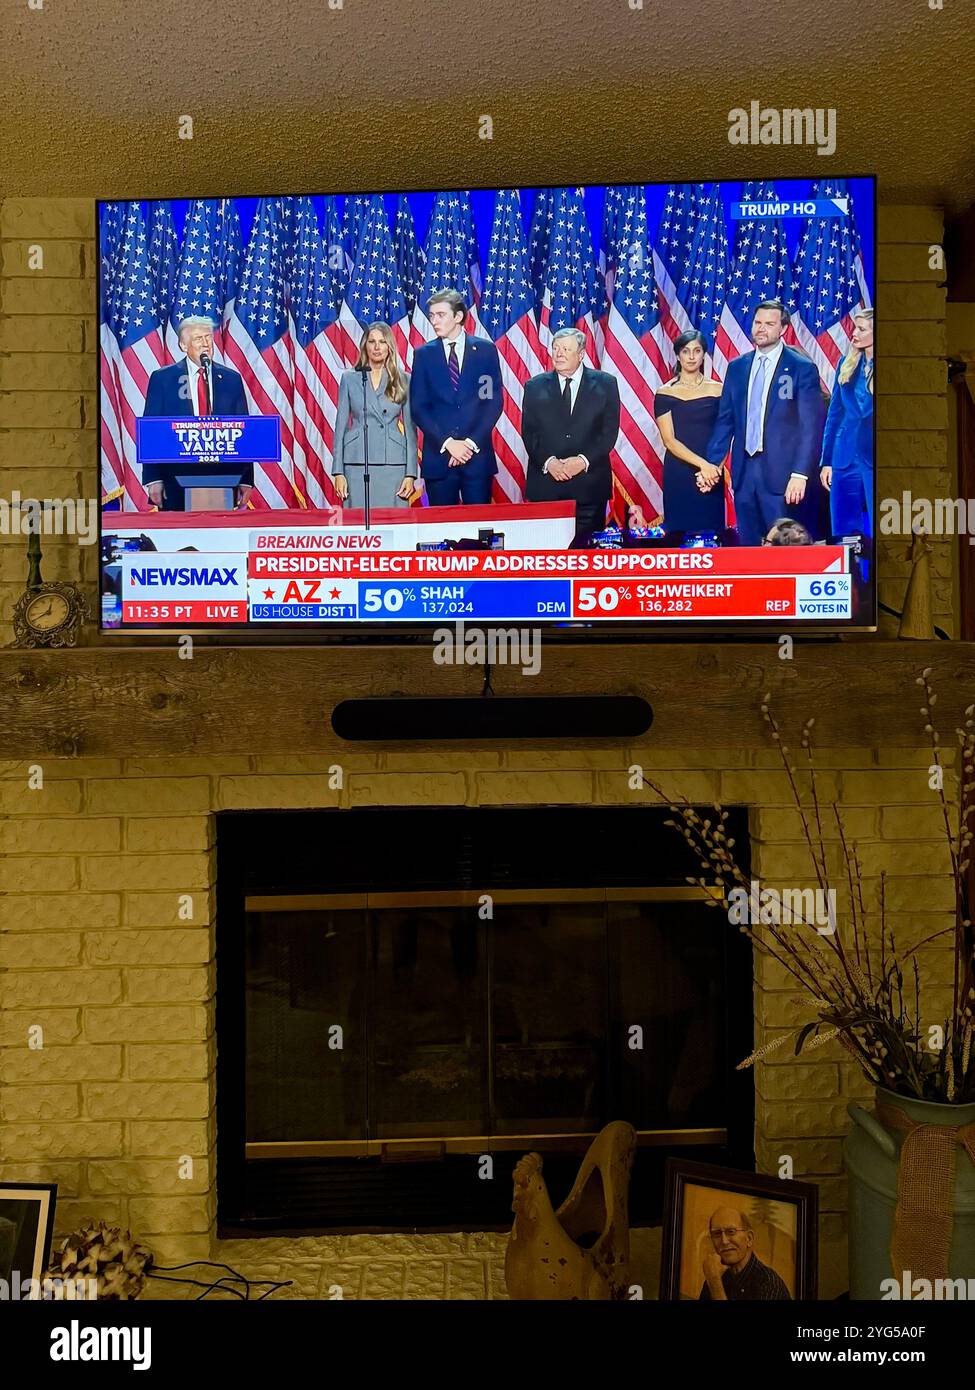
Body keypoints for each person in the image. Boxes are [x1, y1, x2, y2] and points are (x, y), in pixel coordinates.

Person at [704, 300, 825, 546]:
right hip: (745, 473)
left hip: (783, 474)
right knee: (749, 544)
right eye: (757, 323)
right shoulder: (737, 367)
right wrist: (711, 463)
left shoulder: (800, 368)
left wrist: (800, 473)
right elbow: (726, 420)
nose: (761, 329)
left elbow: (810, 427)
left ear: (783, 329)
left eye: (769, 324)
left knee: (783, 546)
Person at [142, 316, 252, 512]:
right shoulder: (163, 379)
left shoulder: (230, 379)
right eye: (198, 339)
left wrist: (246, 479)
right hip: (174, 478)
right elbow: (152, 432)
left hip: (223, 478)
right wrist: (153, 478)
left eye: (208, 337)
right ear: (184, 345)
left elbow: (243, 431)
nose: (205, 344)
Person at [522, 327, 621, 542]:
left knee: (586, 555)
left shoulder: (606, 384)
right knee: (547, 554)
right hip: (547, 485)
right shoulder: (534, 386)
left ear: (582, 354)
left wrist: (582, 461)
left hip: (589, 485)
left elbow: (608, 433)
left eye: (566, 349)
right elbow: (529, 433)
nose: (559, 354)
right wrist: (550, 463)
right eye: (556, 348)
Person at [408, 289, 503, 506]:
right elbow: (419, 407)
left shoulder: (485, 351)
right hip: (439, 458)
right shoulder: (423, 355)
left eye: (440, 315)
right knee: (441, 531)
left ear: (458, 317)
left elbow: (490, 402)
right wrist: (449, 443)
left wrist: (468, 444)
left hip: (476, 458)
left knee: (478, 532)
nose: (434, 321)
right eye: (431, 315)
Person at [332, 322, 418, 509]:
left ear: (390, 347)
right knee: (357, 527)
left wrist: (410, 474)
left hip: (393, 463)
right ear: (365, 345)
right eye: (372, 341)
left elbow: (411, 430)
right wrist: (338, 471)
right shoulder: (349, 378)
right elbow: (340, 427)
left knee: (394, 524)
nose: (377, 347)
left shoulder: (404, 379)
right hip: (356, 461)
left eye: (382, 342)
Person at [653, 329, 725, 538]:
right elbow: (669, 440)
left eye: (697, 351)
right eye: (686, 351)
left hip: (712, 470)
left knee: (712, 535)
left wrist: (714, 471)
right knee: (679, 534)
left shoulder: (719, 390)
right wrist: (703, 466)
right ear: (678, 355)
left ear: (704, 354)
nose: (692, 357)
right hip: (680, 470)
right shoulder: (665, 392)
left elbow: (725, 433)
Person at [819, 309, 874, 538]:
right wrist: (827, 461)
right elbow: (834, 416)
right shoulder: (846, 363)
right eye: (855, 327)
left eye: (862, 329)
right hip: (844, 457)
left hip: (875, 456)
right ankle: (853, 574)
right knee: (844, 532)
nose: (854, 333)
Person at [698, 1206, 792, 1301]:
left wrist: (715, 1284)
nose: (724, 1241)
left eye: (731, 1232)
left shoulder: (769, 1284)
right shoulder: (717, 1276)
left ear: (749, 1238)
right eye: (717, 1234)